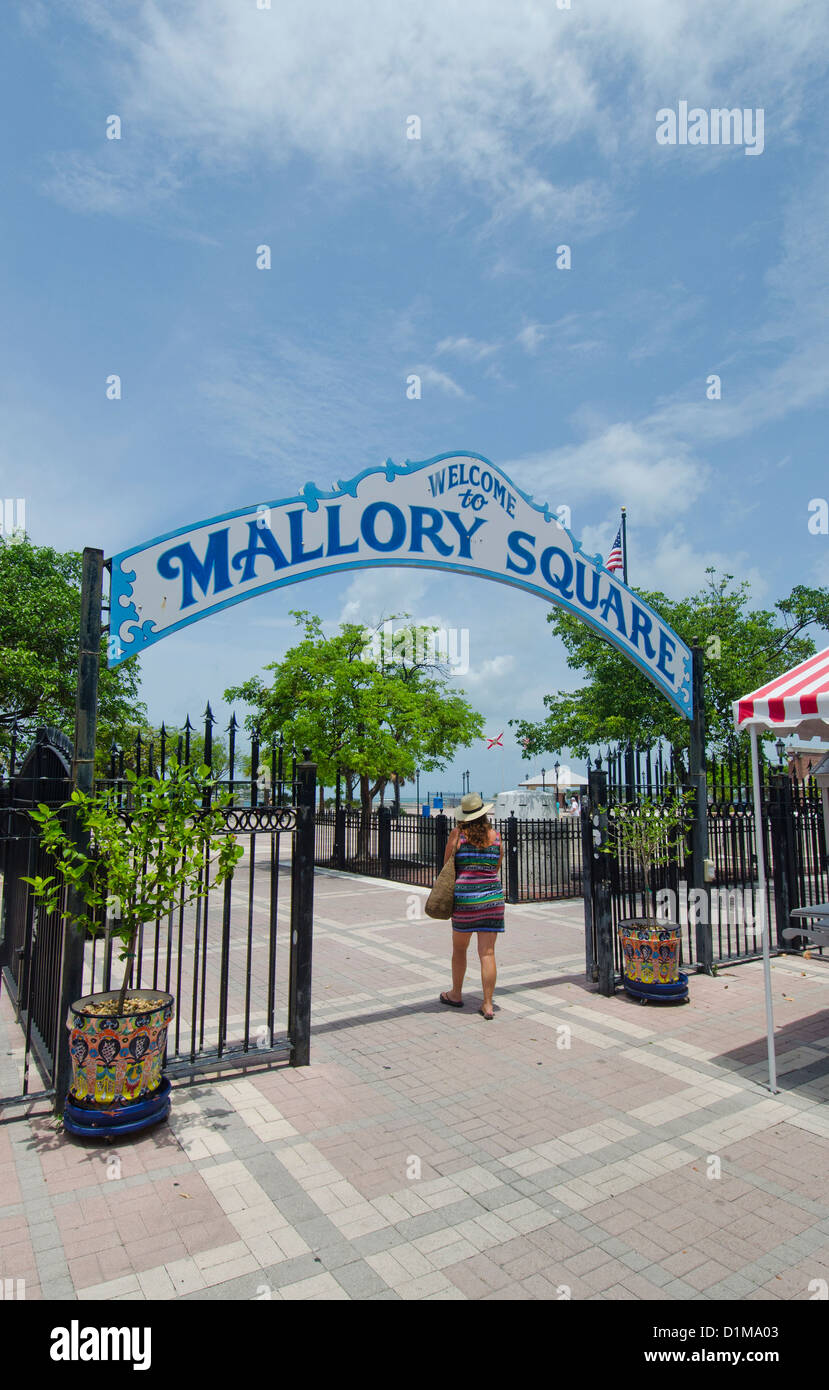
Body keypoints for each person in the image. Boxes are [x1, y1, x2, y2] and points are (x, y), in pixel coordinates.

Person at [439, 792, 504, 1020]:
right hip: (492, 900)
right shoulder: (495, 836)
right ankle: (487, 1004)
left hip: (465, 899)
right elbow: (495, 867)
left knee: (459, 949)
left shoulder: (458, 834)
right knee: (487, 953)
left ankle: (456, 993)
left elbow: (447, 865)